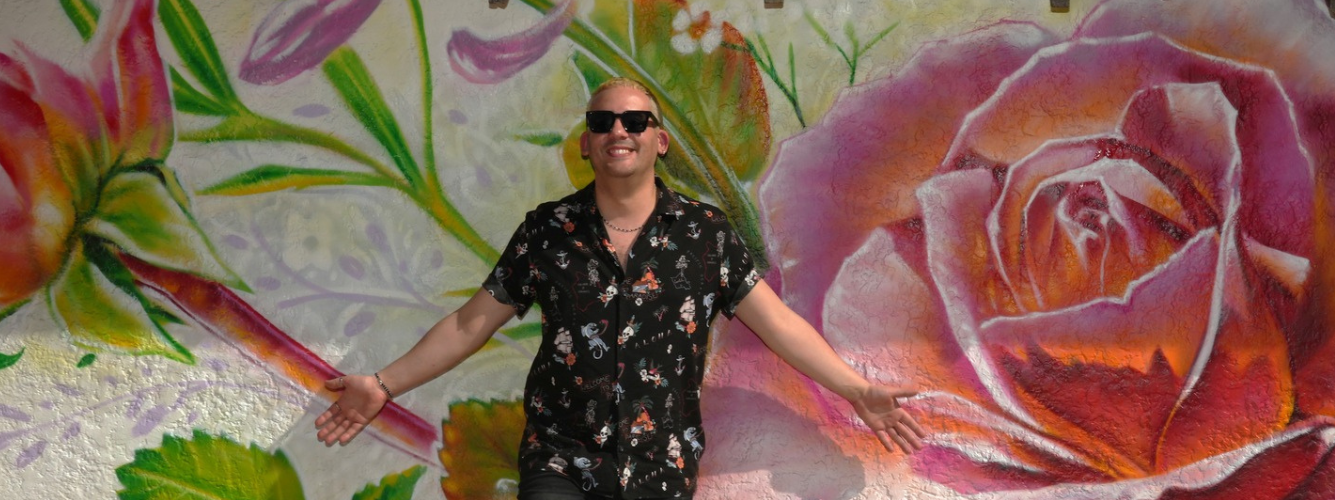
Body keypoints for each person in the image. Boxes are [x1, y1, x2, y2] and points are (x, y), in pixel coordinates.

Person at [314, 77, 923, 499]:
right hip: (559, 459)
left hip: (662, 467)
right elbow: (469, 323)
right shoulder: (547, 230)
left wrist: (855, 388)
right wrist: (384, 384)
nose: (618, 130)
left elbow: (779, 323)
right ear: (586, 143)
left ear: (660, 140)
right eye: (602, 122)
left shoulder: (705, 234)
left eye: (635, 120)